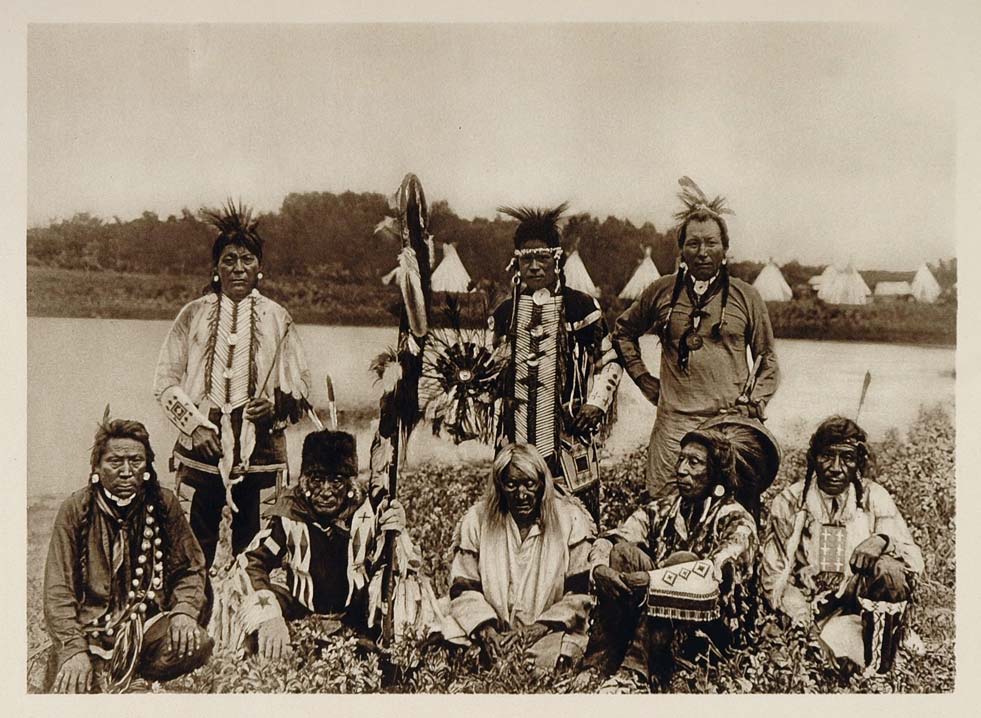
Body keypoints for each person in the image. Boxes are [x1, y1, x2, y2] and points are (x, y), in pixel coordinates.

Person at [152, 200, 313, 566]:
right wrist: (194, 426)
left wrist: (275, 409)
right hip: (200, 446)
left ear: (260, 268)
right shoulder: (193, 314)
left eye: (247, 260)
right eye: (229, 260)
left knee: (257, 553)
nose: (238, 268)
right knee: (189, 552)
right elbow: (164, 381)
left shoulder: (279, 318)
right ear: (216, 268)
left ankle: (249, 604)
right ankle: (193, 603)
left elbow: (302, 386)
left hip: (262, 449)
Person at [613, 178, 779, 498]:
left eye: (711, 243)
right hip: (674, 427)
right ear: (682, 250)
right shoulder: (661, 291)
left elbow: (767, 359)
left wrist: (755, 402)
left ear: (725, 249)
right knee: (664, 506)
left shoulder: (747, 297)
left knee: (730, 507)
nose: (703, 252)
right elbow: (623, 332)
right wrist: (643, 378)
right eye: (694, 244)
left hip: (729, 427)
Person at [42, 413, 212, 693]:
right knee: (72, 682)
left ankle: (133, 674)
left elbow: (190, 568)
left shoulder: (163, 503)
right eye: (114, 461)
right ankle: (101, 669)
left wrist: (183, 612)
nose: (126, 471)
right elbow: (58, 590)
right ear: (97, 466)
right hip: (91, 631)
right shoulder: (75, 509)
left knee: (198, 644)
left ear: (147, 466)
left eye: (135, 461)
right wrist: (73, 649)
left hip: (147, 628)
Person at [231, 430, 438, 659]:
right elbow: (252, 562)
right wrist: (270, 617)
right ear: (304, 482)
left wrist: (397, 529)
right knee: (254, 608)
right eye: (317, 480)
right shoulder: (290, 512)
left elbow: (391, 563)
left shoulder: (368, 511)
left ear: (350, 485)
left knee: (402, 589)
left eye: (336, 481)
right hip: (301, 608)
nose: (326, 491)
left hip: (356, 611)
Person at [582, 428, 758, 692]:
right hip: (656, 623)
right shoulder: (664, 509)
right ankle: (598, 662)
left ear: (716, 473)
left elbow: (717, 572)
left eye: (694, 462)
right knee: (622, 553)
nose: (681, 470)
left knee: (682, 560)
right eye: (681, 459)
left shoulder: (738, 520)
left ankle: (635, 672)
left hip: (711, 631)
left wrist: (654, 580)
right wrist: (599, 568)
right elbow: (616, 537)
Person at [490, 204, 622, 522]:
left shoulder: (580, 307)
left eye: (542, 258)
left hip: (569, 433)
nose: (535, 267)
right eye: (527, 259)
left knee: (577, 523)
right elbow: (492, 370)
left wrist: (596, 404)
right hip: (516, 434)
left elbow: (610, 360)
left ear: (557, 259)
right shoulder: (506, 312)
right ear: (516, 263)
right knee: (514, 521)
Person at [760, 416, 923, 674]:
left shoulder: (873, 497)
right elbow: (774, 577)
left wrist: (881, 540)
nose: (836, 468)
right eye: (827, 456)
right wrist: (804, 622)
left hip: (860, 605)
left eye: (847, 458)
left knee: (890, 570)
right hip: (806, 606)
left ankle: (879, 667)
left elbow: (913, 560)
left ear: (859, 462)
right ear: (813, 458)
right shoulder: (789, 502)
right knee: (800, 656)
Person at [441, 443, 596, 672]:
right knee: (443, 635)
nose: (521, 495)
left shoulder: (569, 518)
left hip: (549, 630)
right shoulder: (478, 519)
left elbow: (580, 592)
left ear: (542, 485)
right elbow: (464, 587)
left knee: (563, 653)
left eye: (529, 484)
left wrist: (538, 628)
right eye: (511, 485)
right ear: (499, 486)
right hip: (494, 629)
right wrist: (487, 630)